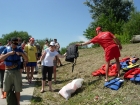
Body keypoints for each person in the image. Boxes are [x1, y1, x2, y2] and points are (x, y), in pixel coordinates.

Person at [0, 37, 28, 105]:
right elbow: (1, 58)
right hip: (8, 71)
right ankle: (9, 103)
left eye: (16, 43)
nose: (15, 45)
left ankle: (18, 103)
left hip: (16, 71)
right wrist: (9, 54)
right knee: (7, 89)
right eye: (14, 43)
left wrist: (21, 54)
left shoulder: (19, 49)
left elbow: (26, 59)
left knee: (17, 90)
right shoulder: (6, 49)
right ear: (11, 42)